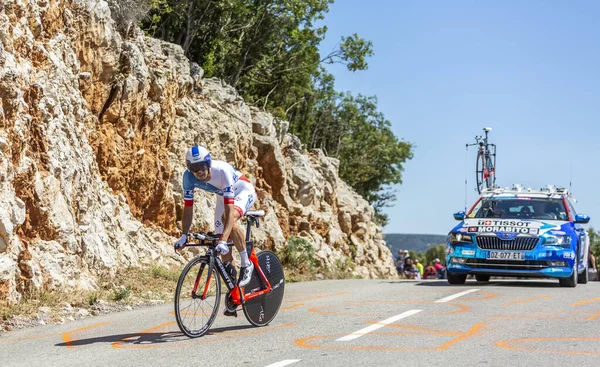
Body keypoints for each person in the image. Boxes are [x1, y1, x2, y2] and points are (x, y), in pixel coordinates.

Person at [174, 145, 257, 290]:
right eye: (194, 167)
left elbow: (230, 211)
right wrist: (183, 235)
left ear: (208, 163)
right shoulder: (188, 177)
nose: (199, 171)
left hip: (242, 190)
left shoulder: (222, 171)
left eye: (201, 165)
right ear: (189, 168)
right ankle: (235, 293)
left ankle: (246, 263)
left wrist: (224, 240)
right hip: (222, 195)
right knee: (224, 254)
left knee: (226, 220)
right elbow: (188, 208)